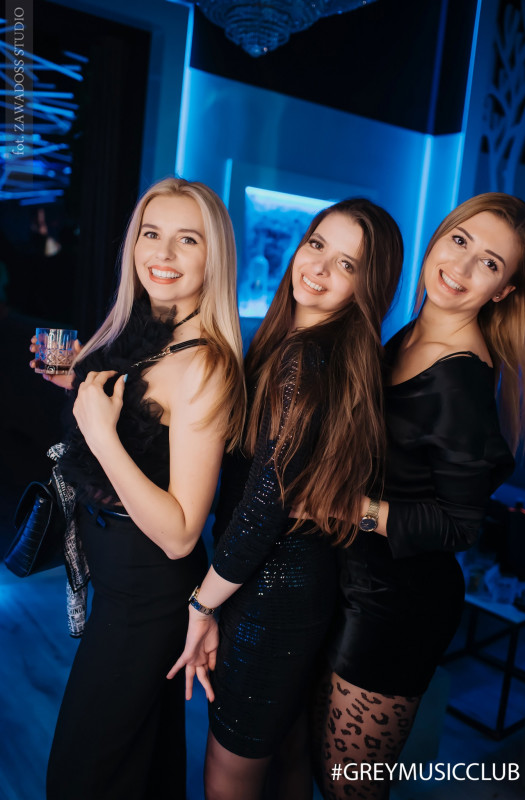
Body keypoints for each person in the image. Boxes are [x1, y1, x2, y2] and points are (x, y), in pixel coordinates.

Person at [168, 198, 405, 800]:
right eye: (317, 243)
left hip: (268, 592)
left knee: (229, 774)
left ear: (367, 287)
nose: (318, 267)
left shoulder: (304, 358)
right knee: (286, 751)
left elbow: (261, 509)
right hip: (296, 584)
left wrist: (201, 607)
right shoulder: (307, 349)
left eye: (347, 264)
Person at [30, 177, 246, 800]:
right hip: (119, 584)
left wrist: (101, 434)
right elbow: (141, 423)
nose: (163, 253)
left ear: (214, 258)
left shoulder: (205, 364)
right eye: (152, 234)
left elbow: (181, 535)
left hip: (148, 599)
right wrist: (81, 382)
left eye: (187, 240)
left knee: (82, 777)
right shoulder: (144, 330)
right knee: (139, 768)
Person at [317, 192, 525, 800]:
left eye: (489, 263)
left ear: (503, 291)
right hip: (355, 579)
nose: (460, 267)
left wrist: (347, 507)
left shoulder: (461, 378)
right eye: (459, 240)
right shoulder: (412, 334)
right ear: (438, 237)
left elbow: (461, 526)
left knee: (349, 787)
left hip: (397, 607)